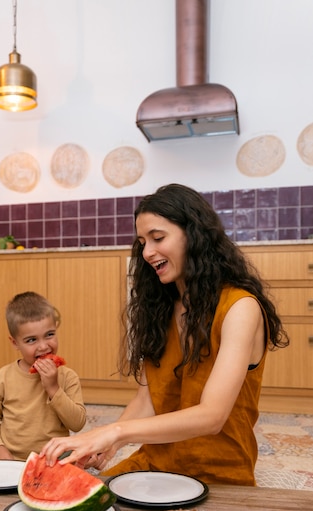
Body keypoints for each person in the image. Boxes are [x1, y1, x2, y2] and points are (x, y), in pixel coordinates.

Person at [40, 183, 289, 486]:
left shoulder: (240, 308)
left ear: (194, 235)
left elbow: (212, 416)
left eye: (158, 238)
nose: (146, 252)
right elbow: (149, 398)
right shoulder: (162, 309)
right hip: (156, 461)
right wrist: (109, 446)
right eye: (142, 242)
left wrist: (113, 432)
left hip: (219, 473)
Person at [0, 291, 86, 461]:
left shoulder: (68, 376)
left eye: (49, 335)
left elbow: (77, 424)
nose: (44, 346)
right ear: (15, 343)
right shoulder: (2, 378)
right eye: (31, 340)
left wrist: (53, 388)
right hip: (13, 459)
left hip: (56, 458)